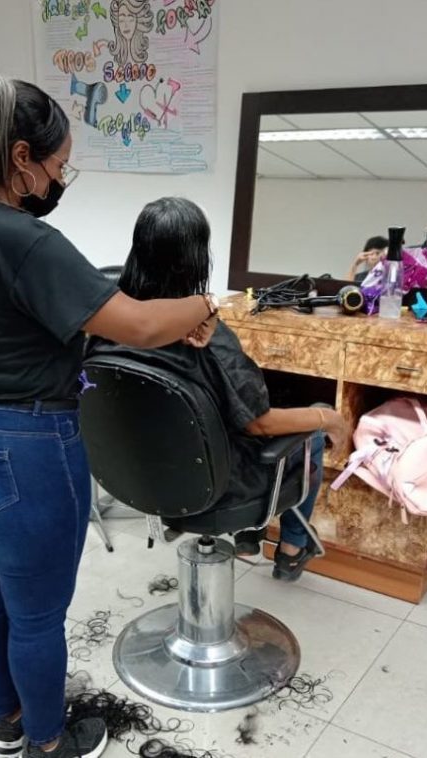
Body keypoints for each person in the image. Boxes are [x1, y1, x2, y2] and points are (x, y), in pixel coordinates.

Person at [0, 68, 219, 758]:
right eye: (58, 167)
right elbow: (140, 325)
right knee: (35, 618)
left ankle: (6, 725)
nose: (58, 180)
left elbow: (10, 314)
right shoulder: (23, 238)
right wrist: (204, 304)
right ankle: (48, 745)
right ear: (21, 157)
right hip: (18, 449)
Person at [88, 197, 351, 580]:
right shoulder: (207, 336)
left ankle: (249, 536)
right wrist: (328, 418)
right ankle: (291, 546)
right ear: (198, 259)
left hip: (141, 475)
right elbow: (259, 424)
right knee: (308, 428)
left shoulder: (105, 325)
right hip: (218, 484)